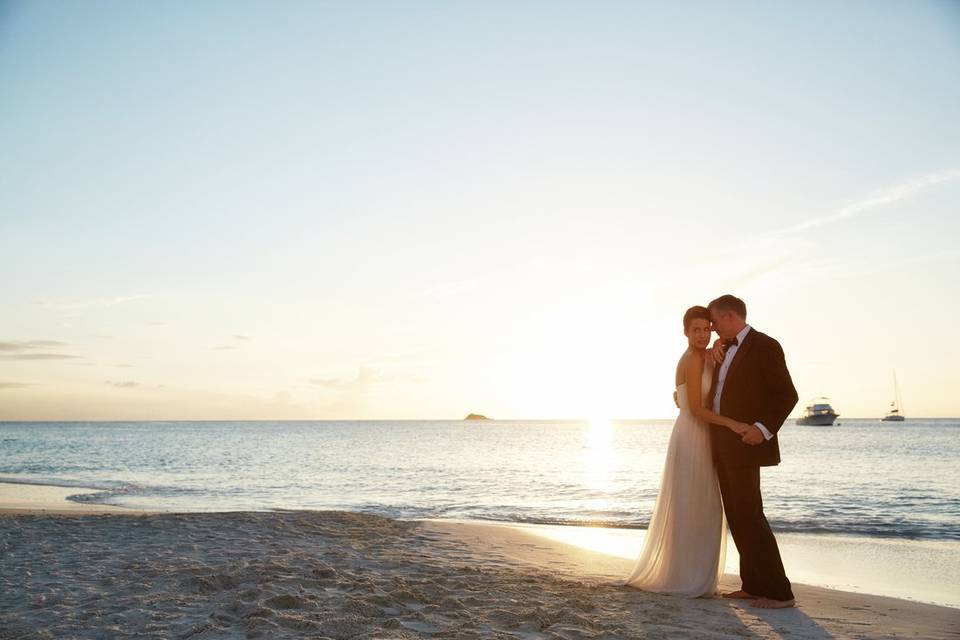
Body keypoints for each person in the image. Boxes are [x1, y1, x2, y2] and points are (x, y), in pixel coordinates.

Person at [625, 305, 752, 597]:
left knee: (701, 506)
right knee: (692, 505)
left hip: (700, 434)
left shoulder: (704, 355)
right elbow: (695, 409)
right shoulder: (691, 359)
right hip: (692, 434)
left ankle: (692, 574)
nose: (703, 334)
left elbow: (685, 396)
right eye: (696, 330)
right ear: (685, 332)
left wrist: (719, 344)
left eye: (707, 329)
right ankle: (685, 577)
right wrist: (733, 424)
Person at [707, 294, 798, 609]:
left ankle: (779, 592)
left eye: (715, 322)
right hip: (722, 443)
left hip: (747, 442)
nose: (713, 328)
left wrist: (762, 428)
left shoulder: (765, 345)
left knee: (751, 515)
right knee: (737, 516)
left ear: (730, 316)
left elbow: (787, 395)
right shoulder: (723, 349)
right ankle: (753, 584)